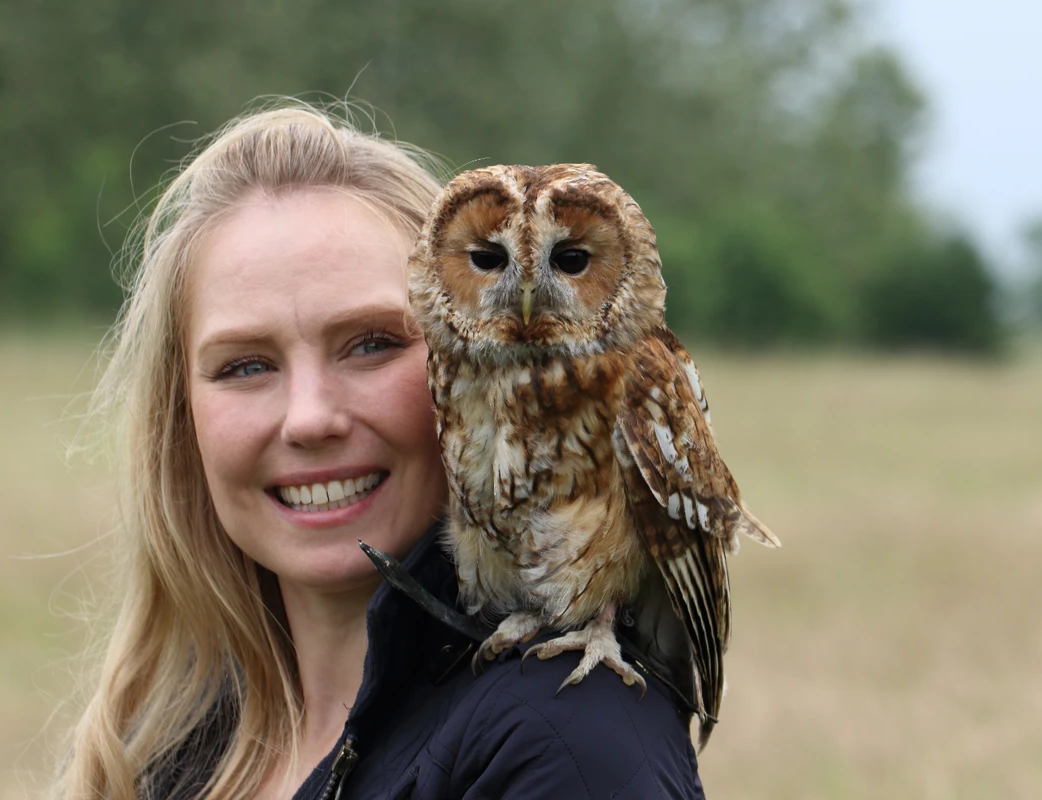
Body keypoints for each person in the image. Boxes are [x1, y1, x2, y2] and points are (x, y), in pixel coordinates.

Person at [53, 100, 706, 800]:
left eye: (372, 344)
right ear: (179, 417)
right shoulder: (173, 744)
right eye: (245, 365)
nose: (310, 419)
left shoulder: (563, 744)